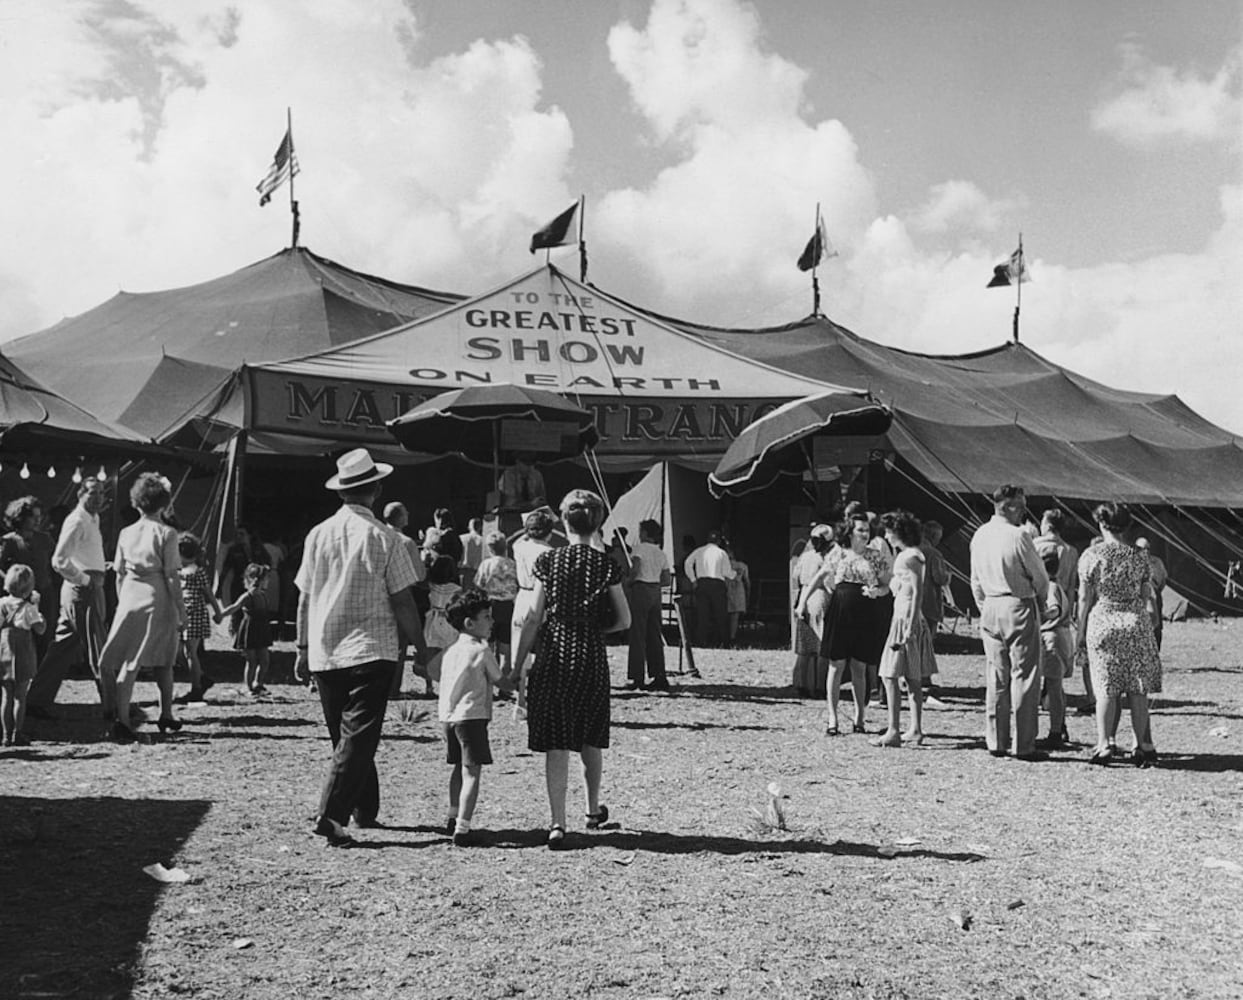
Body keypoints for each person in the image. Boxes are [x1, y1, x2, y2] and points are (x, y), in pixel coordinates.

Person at [293, 448, 421, 846]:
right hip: (372, 646)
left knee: (347, 736)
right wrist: (422, 647)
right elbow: (403, 599)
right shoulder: (387, 538)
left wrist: (300, 646)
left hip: (326, 648)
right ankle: (332, 814)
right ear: (376, 489)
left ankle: (365, 808)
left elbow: (304, 597)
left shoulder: (317, 534)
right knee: (359, 735)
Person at [514, 489, 631, 850]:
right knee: (589, 735)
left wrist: (517, 664)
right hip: (590, 654)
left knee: (557, 741)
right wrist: (595, 629)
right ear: (598, 523)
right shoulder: (607, 564)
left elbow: (533, 616)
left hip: (554, 651)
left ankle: (557, 822)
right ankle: (593, 809)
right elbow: (623, 619)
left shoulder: (548, 562)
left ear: (563, 522)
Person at [101, 473, 186, 743]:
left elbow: (118, 571)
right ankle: (167, 713)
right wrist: (181, 610)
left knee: (129, 660)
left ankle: (122, 718)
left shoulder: (126, 533)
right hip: (156, 595)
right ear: (163, 503)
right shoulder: (167, 533)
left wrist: (122, 601)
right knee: (164, 657)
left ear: (137, 503)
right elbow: (172, 574)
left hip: (130, 595)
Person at [1077, 503, 1161, 766]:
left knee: (1105, 688)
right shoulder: (1139, 556)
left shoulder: (1091, 555)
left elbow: (1083, 597)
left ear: (1101, 525)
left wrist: (1079, 632)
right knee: (1138, 688)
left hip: (1103, 621)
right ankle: (1144, 745)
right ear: (1127, 526)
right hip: (1136, 622)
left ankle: (1103, 745)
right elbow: (1146, 593)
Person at [969, 484, 1049, 761]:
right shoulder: (1019, 536)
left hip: (990, 604)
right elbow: (1039, 576)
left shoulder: (979, 535)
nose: (1025, 510)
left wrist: (984, 607)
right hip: (1017, 603)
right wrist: (1042, 603)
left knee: (996, 675)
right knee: (1024, 676)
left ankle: (996, 739)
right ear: (1010, 506)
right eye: (1022, 505)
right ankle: (1024, 743)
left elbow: (975, 579)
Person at [796, 513, 890, 735]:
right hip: (840, 610)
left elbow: (887, 584)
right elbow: (818, 577)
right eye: (860, 530)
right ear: (850, 532)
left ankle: (860, 718)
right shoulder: (838, 552)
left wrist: (878, 591)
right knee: (836, 665)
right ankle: (832, 718)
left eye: (867, 530)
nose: (865, 534)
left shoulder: (875, 556)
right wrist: (802, 603)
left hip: (866, 611)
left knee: (860, 666)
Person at [26, 477, 109, 719]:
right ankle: (113, 707)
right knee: (98, 647)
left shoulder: (94, 519)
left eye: (101, 493)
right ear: (80, 494)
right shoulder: (77, 520)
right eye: (93, 492)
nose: (98, 497)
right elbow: (59, 560)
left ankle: (36, 699)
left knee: (61, 648)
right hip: (82, 590)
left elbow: (82, 554)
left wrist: (98, 567)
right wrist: (85, 579)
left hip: (86, 585)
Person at [438, 588, 509, 847]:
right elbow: (501, 680)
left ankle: (452, 813)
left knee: (458, 767)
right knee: (472, 772)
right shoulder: (481, 650)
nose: (492, 622)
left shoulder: (451, 651)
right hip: (472, 716)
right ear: (470, 623)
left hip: (448, 716)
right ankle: (464, 828)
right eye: (487, 617)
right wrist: (520, 681)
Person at [872, 511, 935, 747]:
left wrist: (909, 627)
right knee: (911, 677)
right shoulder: (908, 556)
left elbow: (918, 592)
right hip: (905, 617)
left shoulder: (909, 557)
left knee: (890, 675)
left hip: (906, 620)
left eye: (889, 531)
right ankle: (914, 728)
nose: (887, 536)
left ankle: (894, 730)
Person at [510, 507, 558, 713]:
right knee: (544, 651)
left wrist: (527, 527)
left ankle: (520, 700)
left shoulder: (519, 547)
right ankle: (541, 699)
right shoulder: (550, 552)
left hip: (522, 596)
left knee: (519, 648)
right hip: (542, 599)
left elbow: (515, 538)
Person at [382, 501, 428, 696]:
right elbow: (419, 575)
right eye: (406, 512)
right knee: (400, 645)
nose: (408, 514)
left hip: (375, 596)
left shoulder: (375, 535)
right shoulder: (406, 542)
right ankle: (393, 689)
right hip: (400, 594)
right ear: (400, 517)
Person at [1, 497, 55, 661]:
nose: (38, 520)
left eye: (39, 516)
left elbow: (56, 564)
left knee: (44, 633)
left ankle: (41, 671)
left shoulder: (45, 539)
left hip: (44, 593)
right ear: (21, 517)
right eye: (33, 516)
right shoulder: (9, 541)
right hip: (19, 597)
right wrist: (14, 586)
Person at [175, 533, 224, 704]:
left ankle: (196, 688)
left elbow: (208, 593)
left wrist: (218, 612)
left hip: (194, 614)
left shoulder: (197, 571)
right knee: (178, 652)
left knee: (190, 652)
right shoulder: (178, 571)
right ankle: (201, 678)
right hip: (181, 614)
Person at [0, 564, 45, 746]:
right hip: (23, 652)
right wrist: (38, 609)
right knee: (20, 695)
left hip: (3, 650)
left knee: (5, 696)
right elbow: (40, 629)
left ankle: (4, 734)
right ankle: (18, 733)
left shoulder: (2, 603)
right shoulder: (28, 608)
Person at [626, 519, 671, 692]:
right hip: (655, 591)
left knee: (637, 634)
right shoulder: (661, 553)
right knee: (654, 634)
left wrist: (629, 581)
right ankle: (659, 675)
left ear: (644, 533)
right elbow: (666, 579)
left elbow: (636, 568)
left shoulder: (639, 549)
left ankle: (636, 677)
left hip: (641, 588)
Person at [1037, 549, 1073, 749]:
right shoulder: (1058, 585)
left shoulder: (1050, 587)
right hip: (1060, 637)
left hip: (1052, 638)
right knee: (1056, 687)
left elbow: (1054, 610)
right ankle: (1060, 725)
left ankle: (1055, 731)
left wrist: (1037, 616)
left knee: (1052, 687)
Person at [791, 526, 833, 697]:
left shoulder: (805, 556)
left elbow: (796, 576)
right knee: (821, 646)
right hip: (820, 595)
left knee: (804, 647)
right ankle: (820, 686)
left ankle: (801, 683)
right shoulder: (826, 558)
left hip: (804, 597)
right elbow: (830, 582)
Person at [220, 563, 274, 697]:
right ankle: (249, 687)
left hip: (261, 631)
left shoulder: (263, 595)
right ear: (258, 579)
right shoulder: (248, 596)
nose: (268, 581)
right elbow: (234, 607)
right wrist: (220, 615)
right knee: (251, 661)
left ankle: (258, 684)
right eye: (266, 578)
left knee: (265, 659)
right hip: (250, 631)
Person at [473, 530, 517, 676]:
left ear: (489, 548)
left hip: (491, 606)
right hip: (509, 606)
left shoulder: (486, 564)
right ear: (505, 547)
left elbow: (478, 584)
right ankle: (505, 679)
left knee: (489, 645)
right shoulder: (512, 564)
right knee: (505, 647)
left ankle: (489, 680)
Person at [918, 519, 950, 708]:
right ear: (934, 536)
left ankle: (915, 674)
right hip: (929, 603)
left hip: (915, 604)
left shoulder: (913, 550)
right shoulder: (933, 554)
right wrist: (948, 576)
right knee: (927, 641)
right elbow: (939, 577)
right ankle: (924, 676)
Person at [684, 530, 735, 648]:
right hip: (717, 584)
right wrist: (734, 574)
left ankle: (701, 641)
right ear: (718, 541)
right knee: (721, 614)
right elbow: (726, 571)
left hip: (702, 583)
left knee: (703, 614)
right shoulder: (722, 553)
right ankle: (724, 642)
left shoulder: (699, 551)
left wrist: (693, 579)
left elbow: (687, 563)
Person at [423, 554, 463, 687]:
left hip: (432, 617)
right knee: (449, 650)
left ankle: (428, 685)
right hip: (447, 619)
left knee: (431, 651)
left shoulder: (431, 585)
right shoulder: (456, 589)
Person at [1135, 537, 1168, 649]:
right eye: (1141, 548)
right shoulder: (1133, 563)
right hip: (1138, 596)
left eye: (1147, 548)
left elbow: (1163, 580)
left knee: (1156, 625)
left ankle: (1156, 651)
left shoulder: (1157, 562)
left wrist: (1155, 592)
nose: (1145, 551)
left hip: (1154, 594)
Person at [725, 543, 751, 645]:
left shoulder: (724, 565)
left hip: (726, 588)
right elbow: (747, 581)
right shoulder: (743, 566)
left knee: (725, 613)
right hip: (739, 589)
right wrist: (748, 593)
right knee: (735, 615)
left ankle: (725, 635)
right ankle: (732, 637)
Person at [459, 517, 486, 588]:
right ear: (480, 527)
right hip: (478, 572)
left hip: (463, 571)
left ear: (469, 527)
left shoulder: (462, 538)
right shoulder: (484, 541)